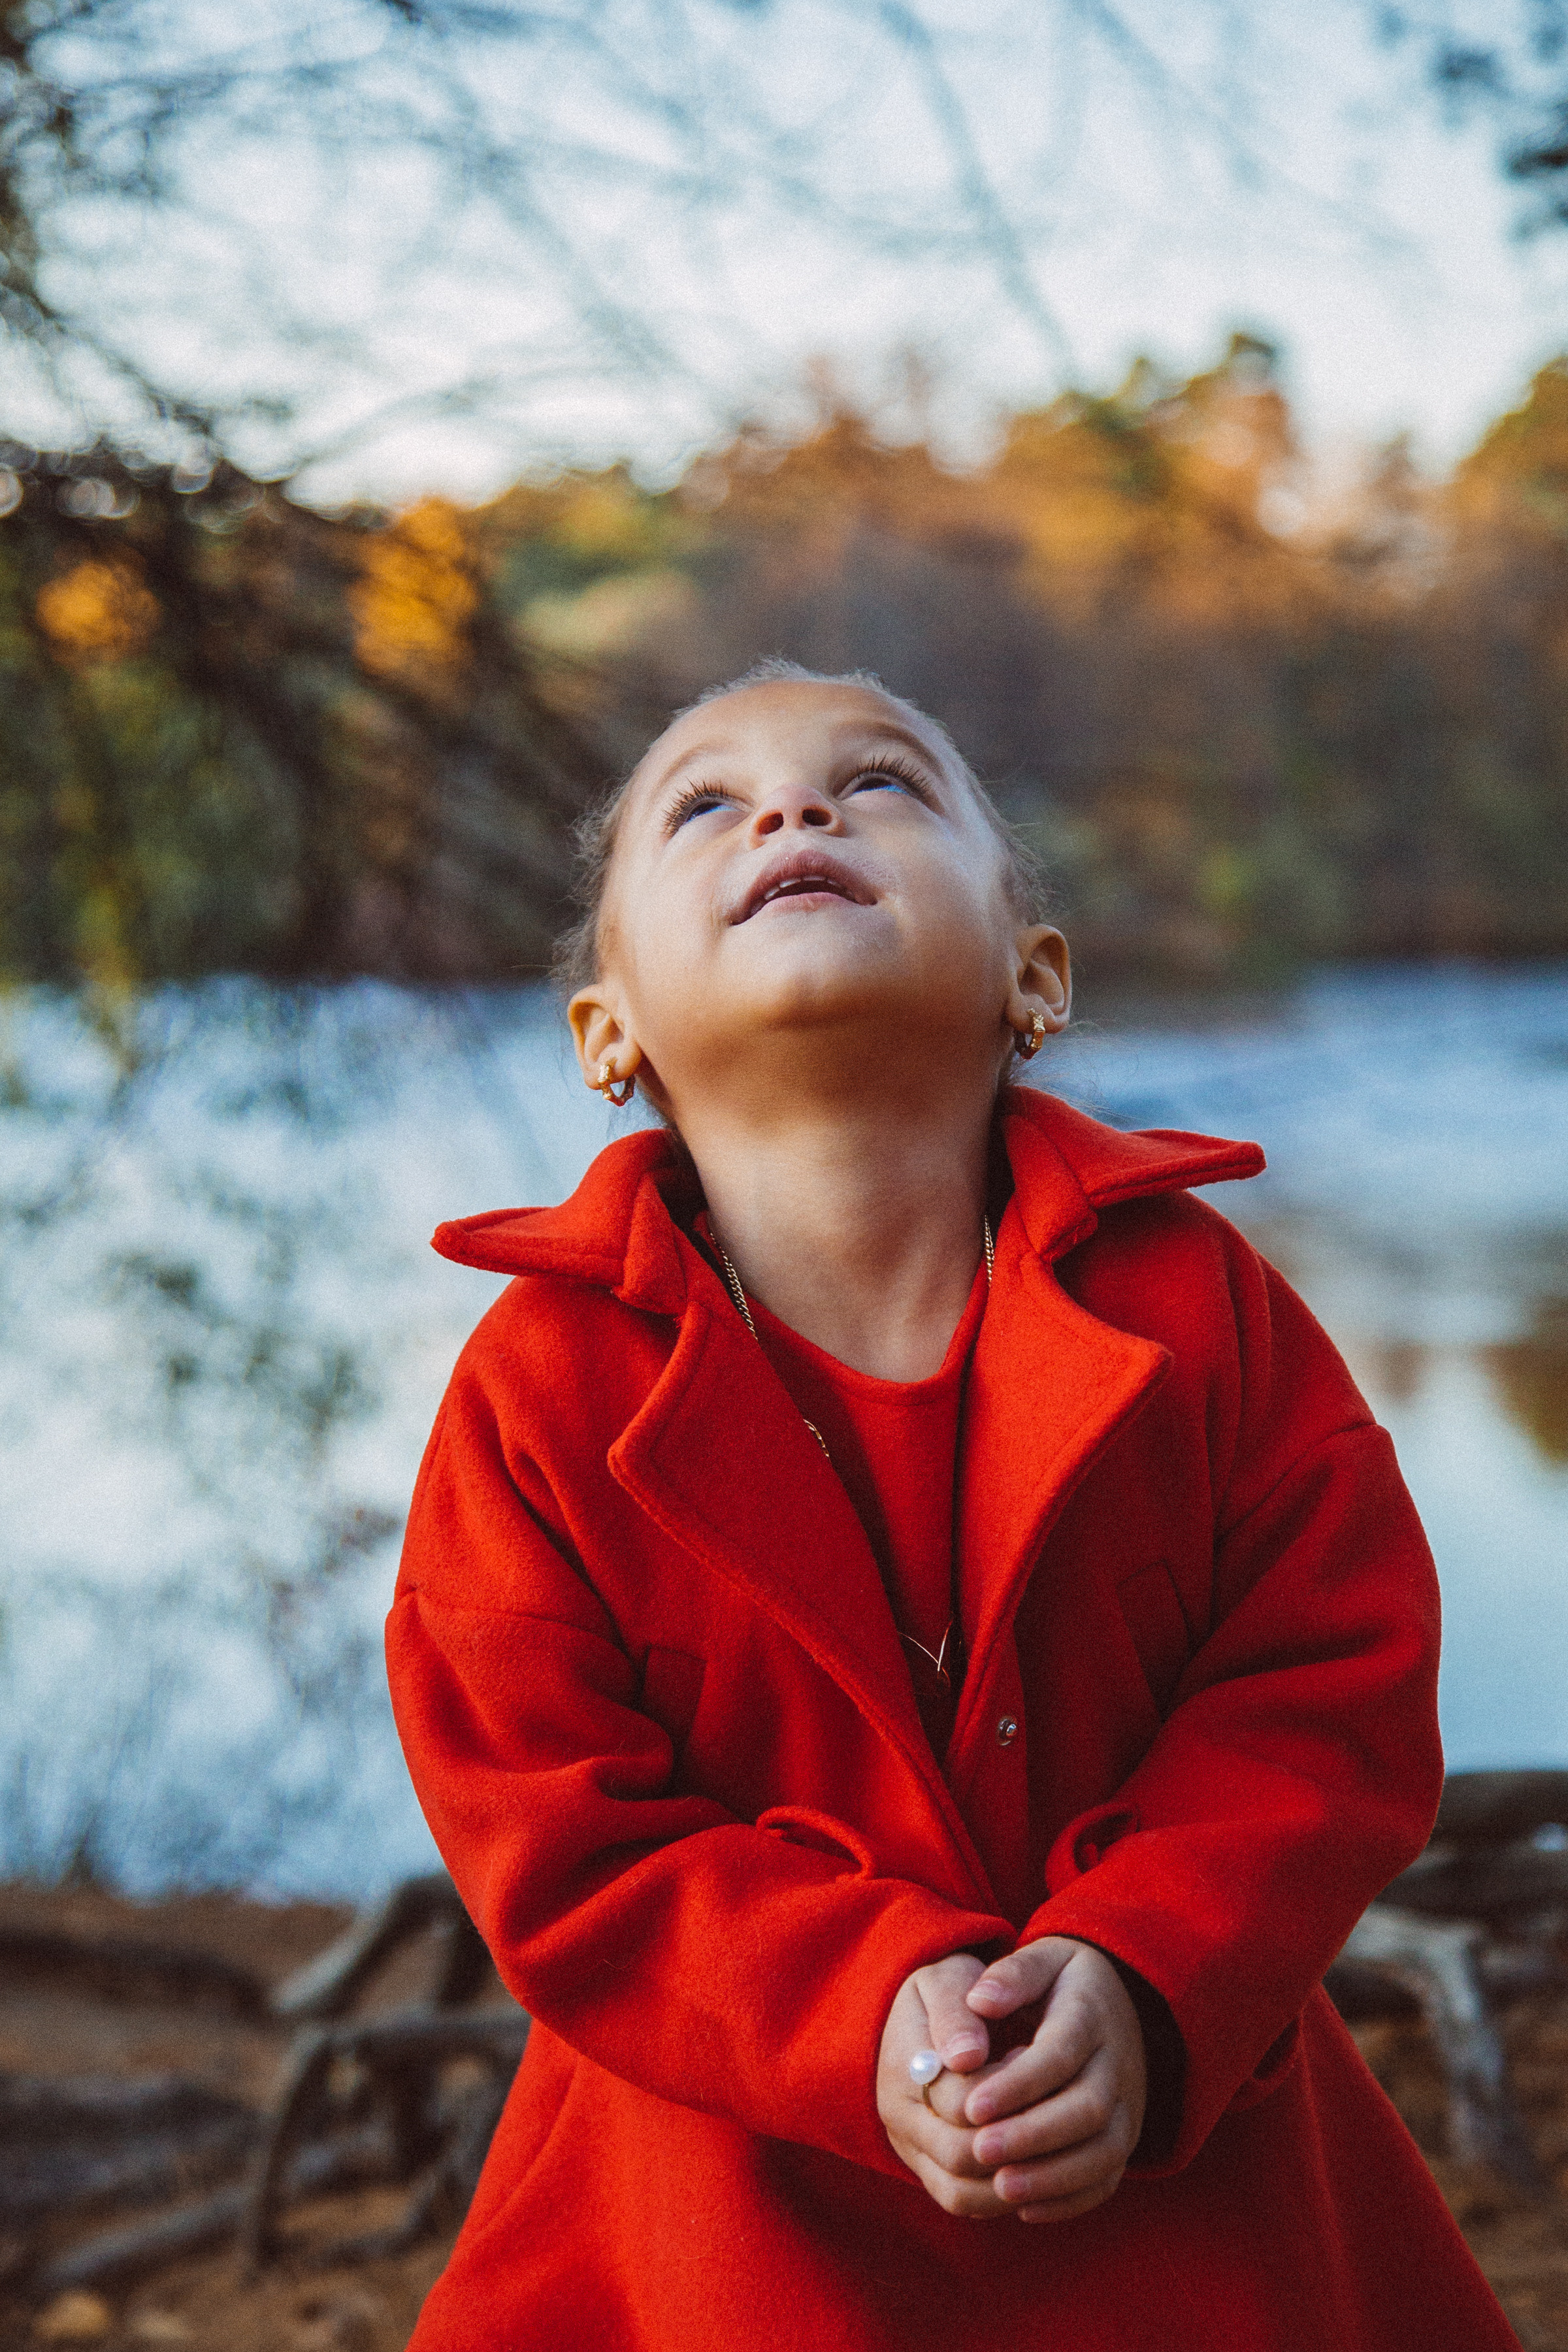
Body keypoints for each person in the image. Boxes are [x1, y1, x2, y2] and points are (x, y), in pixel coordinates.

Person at [386, 664, 1520, 2350]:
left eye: (884, 783)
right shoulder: (540, 1387)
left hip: (1190, 2218)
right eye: (706, 805)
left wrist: (1145, 1970)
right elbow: (548, 1827)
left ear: (1031, 974)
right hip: (710, 2239)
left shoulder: (1196, 1308)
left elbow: (1330, 1688)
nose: (794, 810)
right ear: (607, 1030)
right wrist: (854, 2008)